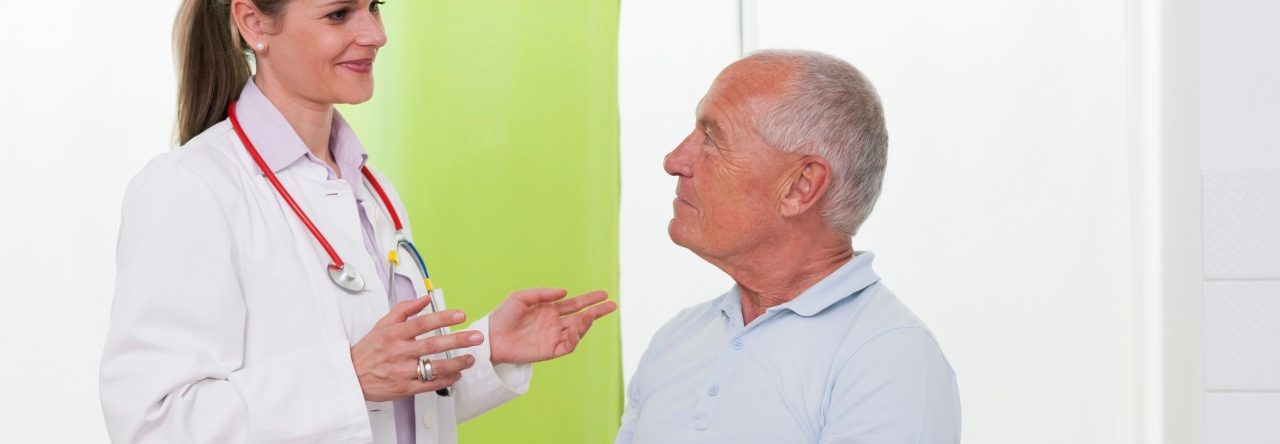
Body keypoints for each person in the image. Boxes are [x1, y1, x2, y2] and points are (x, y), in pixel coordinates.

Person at [99, 1, 616, 443]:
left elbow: (387, 412)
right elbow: (155, 423)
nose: (375, 34)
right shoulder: (191, 188)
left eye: (375, 6)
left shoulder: (372, 191)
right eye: (339, 13)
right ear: (254, 24)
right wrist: (350, 375)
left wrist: (488, 350)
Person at [615, 50, 960, 443]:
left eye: (711, 138)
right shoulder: (677, 339)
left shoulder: (890, 358)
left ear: (800, 187)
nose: (674, 160)